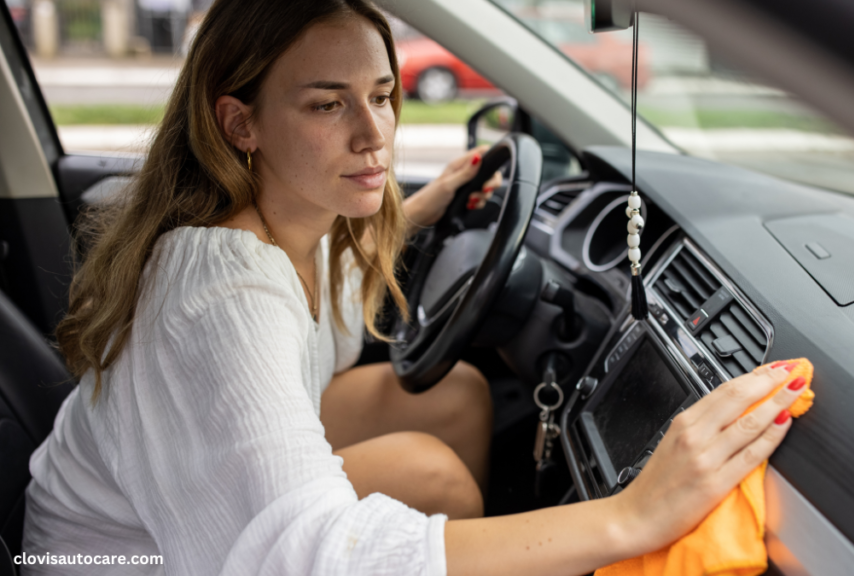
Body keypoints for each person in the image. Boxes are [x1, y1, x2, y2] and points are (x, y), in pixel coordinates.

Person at [21, 0, 806, 574]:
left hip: (155, 490)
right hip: (115, 559)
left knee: (456, 394)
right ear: (240, 124)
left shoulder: (283, 221)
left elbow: (332, 276)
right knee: (429, 474)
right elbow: (308, 551)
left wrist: (421, 211)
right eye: (328, 104)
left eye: (382, 94)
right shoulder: (221, 292)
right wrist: (629, 516)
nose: (375, 134)